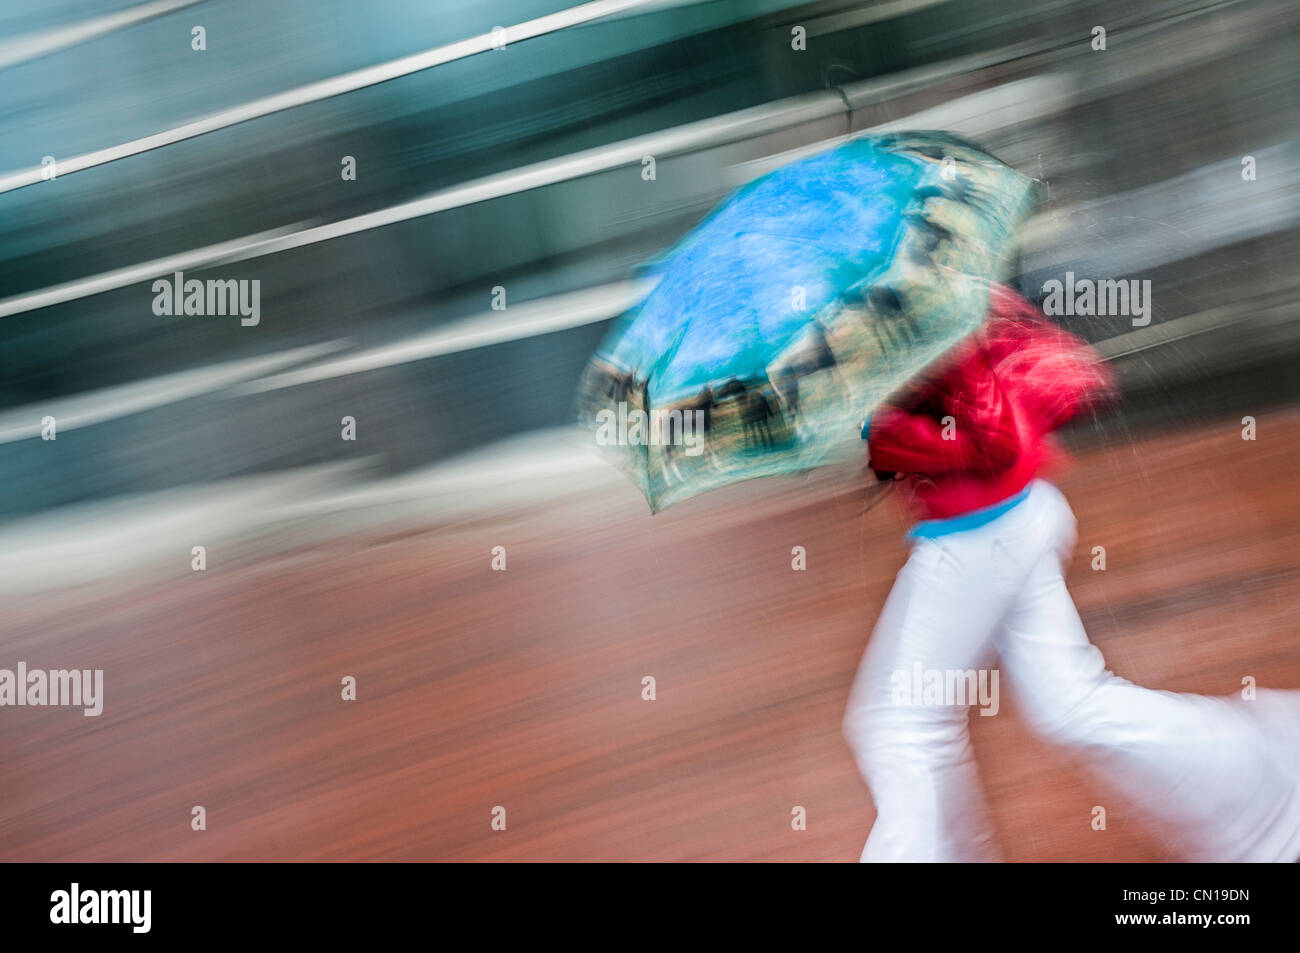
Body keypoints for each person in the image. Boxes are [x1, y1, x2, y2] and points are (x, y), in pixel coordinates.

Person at [842, 283, 1300, 862]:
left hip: (979, 535)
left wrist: (883, 432)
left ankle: (1270, 767)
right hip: (1014, 517)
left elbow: (993, 436)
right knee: (1068, 706)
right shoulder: (924, 277)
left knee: (895, 726)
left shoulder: (912, 300)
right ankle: (1271, 763)